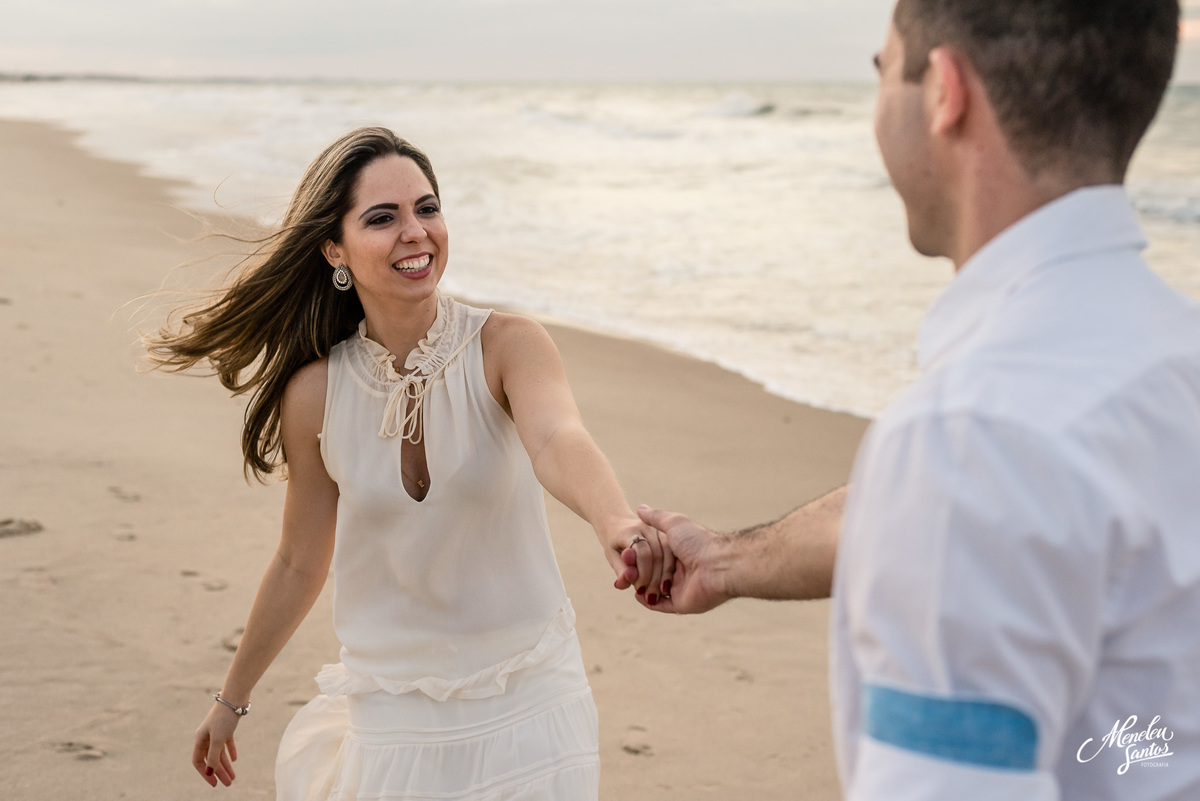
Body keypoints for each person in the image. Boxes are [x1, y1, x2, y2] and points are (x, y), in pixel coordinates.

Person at [631, 1, 1200, 799]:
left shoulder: (973, 432)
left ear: (945, 92)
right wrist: (727, 561)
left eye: (880, 68)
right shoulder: (1165, 356)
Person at [147, 127, 671, 800]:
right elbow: (299, 561)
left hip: (530, 697)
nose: (416, 232)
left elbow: (557, 437)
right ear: (334, 248)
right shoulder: (314, 395)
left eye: (427, 208)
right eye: (382, 217)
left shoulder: (508, 345)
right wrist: (232, 697)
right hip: (393, 711)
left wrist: (617, 522)